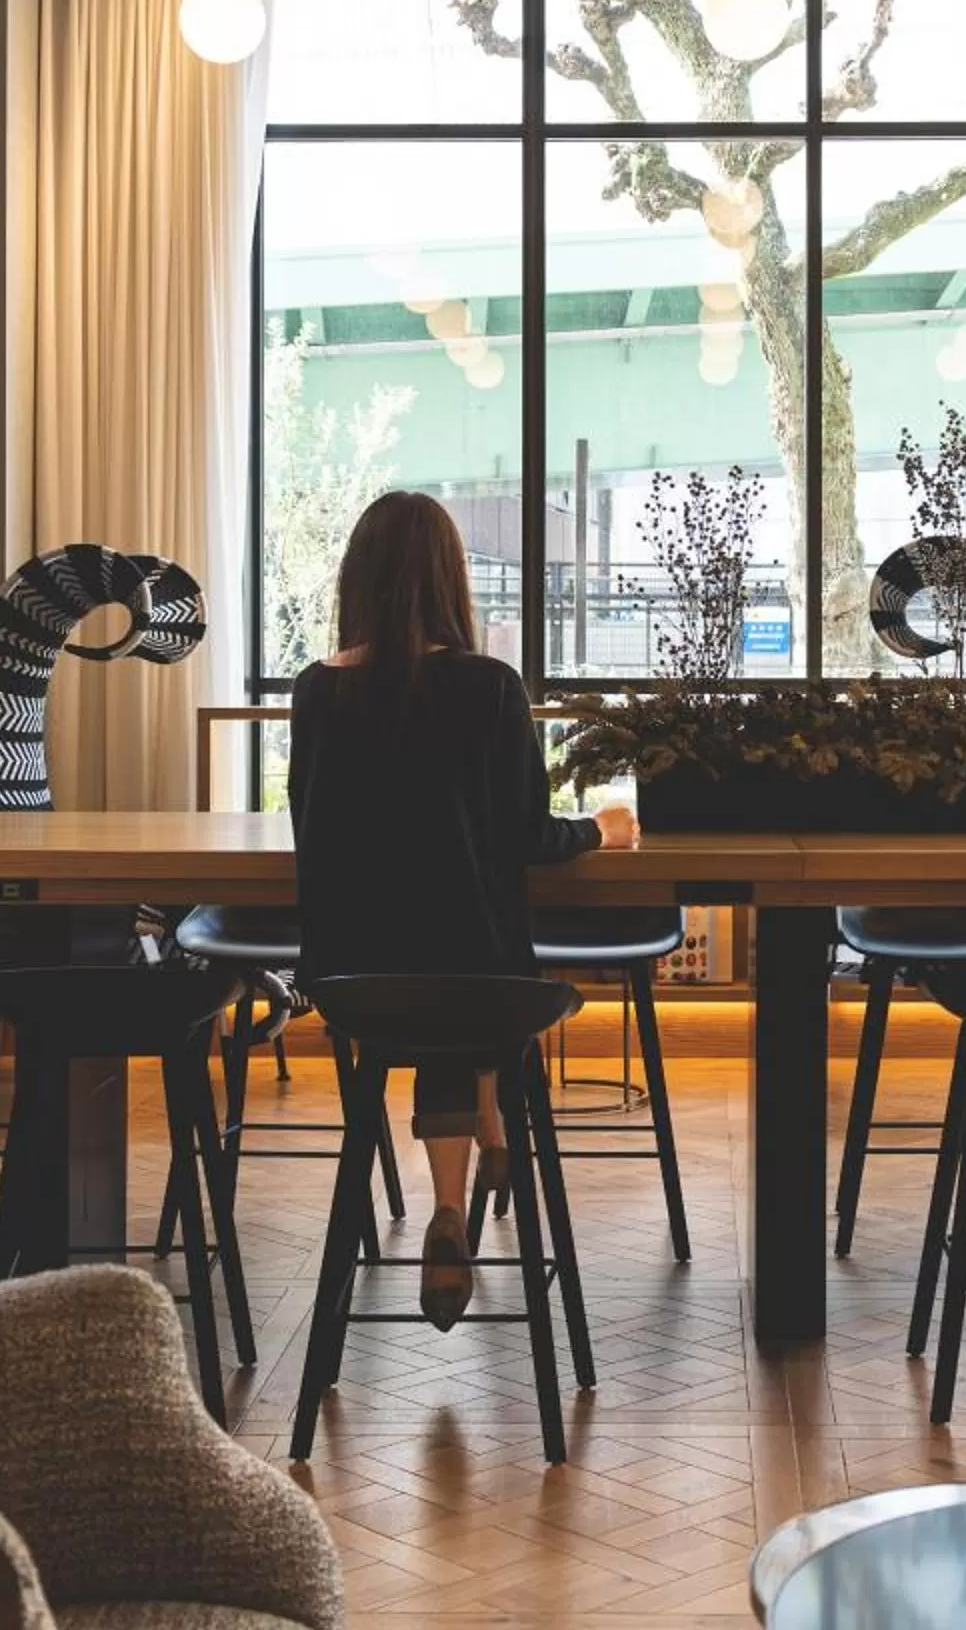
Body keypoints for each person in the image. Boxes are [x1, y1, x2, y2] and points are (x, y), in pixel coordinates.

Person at [289, 491, 637, 1330]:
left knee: (427, 973)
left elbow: (314, 832)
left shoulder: (314, 691)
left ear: (356, 581)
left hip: (356, 983)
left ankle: (478, 1164)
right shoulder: (490, 688)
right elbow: (523, 836)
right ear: (453, 579)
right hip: (483, 984)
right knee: (465, 967)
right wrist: (600, 827)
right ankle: (484, 1153)